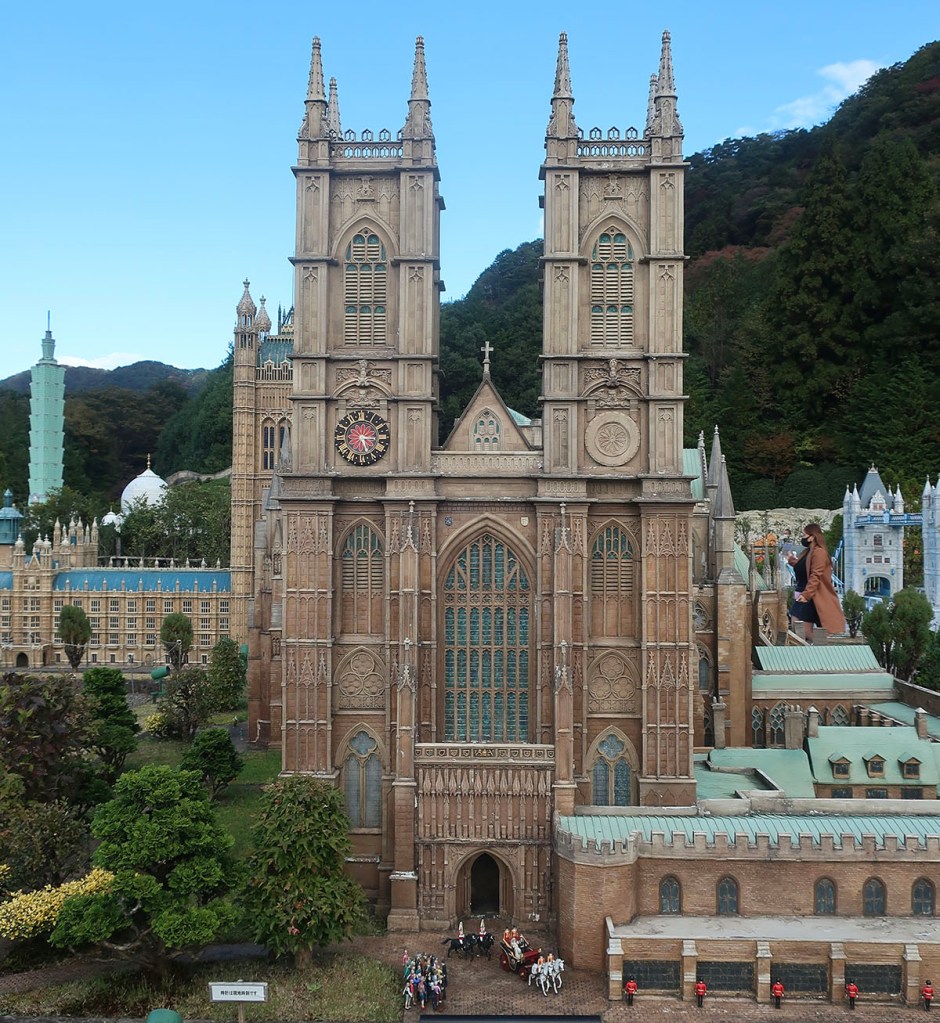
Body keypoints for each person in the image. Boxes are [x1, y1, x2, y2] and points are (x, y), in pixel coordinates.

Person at [786, 523, 846, 642]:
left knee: (802, 628)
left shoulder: (819, 552)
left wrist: (806, 595)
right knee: (798, 625)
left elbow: (815, 575)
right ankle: (818, 649)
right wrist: (791, 560)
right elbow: (804, 567)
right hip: (805, 593)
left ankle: (821, 650)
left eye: (804, 535)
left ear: (812, 537)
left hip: (811, 595)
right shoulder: (808, 551)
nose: (803, 538)